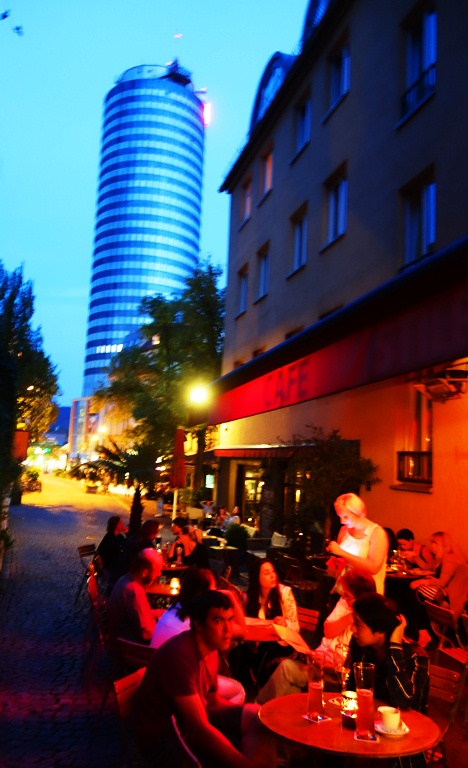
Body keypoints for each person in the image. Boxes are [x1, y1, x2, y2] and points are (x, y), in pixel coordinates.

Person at [132, 591, 276, 768]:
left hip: (191, 725)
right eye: (218, 621)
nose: (228, 629)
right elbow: (199, 729)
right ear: (198, 624)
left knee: (259, 718)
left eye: (230, 620)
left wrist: (251, 711)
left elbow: (212, 700)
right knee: (244, 752)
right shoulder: (180, 655)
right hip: (166, 741)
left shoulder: (211, 649)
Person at [255, 567, 376, 704]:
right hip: (320, 660)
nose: (343, 598)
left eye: (347, 596)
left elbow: (349, 667)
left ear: (361, 597)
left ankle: (257, 709)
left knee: (286, 667)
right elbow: (328, 630)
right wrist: (350, 616)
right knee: (290, 691)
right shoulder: (345, 604)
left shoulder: (366, 627)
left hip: (334, 674)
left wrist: (323, 663)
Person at [347, 593, 429, 768]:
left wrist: (394, 647)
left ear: (380, 631)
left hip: (403, 741)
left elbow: (404, 702)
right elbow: (351, 692)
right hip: (364, 731)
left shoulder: (416, 656)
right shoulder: (361, 648)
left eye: (358, 624)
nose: (352, 629)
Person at [233, 558, 298, 690]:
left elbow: (296, 627)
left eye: (273, 571)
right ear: (256, 577)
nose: (273, 576)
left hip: (281, 644)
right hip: (257, 643)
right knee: (235, 654)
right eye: (267, 573)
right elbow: (243, 623)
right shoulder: (249, 597)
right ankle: (244, 693)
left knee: (263, 655)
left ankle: (260, 695)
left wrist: (285, 623)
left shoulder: (284, 593)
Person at [151, 566, 246, 649]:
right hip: (174, 667)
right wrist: (230, 595)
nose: (217, 592)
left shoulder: (177, 607)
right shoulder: (199, 621)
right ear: (204, 593)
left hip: (155, 664)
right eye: (214, 589)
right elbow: (242, 631)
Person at [326, 493, 388, 593]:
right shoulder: (344, 530)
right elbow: (339, 561)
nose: (342, 521)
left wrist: (341, 552)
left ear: (358, 513)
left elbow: (374, 568)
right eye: (340, 517)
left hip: (366, 595)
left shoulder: (376, 533)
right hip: (344, 591)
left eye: (346, 517)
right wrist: (333, 563)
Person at [106, 548, 163, 644]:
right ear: (145, 572)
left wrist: (161, 613)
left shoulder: (125, 579)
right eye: (156, 571)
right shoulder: (135, 590)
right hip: (130, 649)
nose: (158, 575)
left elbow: (140, 613)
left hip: (121, 639)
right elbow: (147, 634)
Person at [410, 531, 468, 619]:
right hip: (445, 590)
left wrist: (422, 581)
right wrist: (415, 556)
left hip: (452, 595)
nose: (431, 545)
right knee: (414, 589)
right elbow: (427, 566)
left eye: (433, 543)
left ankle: (422, 625)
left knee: (416, 591)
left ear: (441, 544)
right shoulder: (441, 556)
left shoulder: (450, 559)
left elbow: (442, 582)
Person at [96, 515, 127, 589]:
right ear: (116, 525)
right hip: (109, 568)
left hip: (114, 566)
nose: (123, 524)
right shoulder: (110, 538)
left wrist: (127, 533)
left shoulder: (119, 536)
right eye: (120, 523)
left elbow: (126, 545)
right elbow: (112, 555)